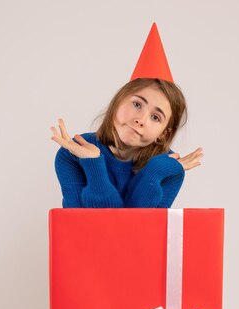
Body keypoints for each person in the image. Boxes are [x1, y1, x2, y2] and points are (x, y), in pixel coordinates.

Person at [49, 23, 203, 208]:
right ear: (117, 103)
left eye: (156, 117)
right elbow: (82, 227)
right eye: (137, 104)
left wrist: (155, 172)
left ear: (164, 133)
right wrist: (93, 163)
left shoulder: (168, 167)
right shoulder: (71, 154)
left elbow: (142, 231)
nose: (141, 120)